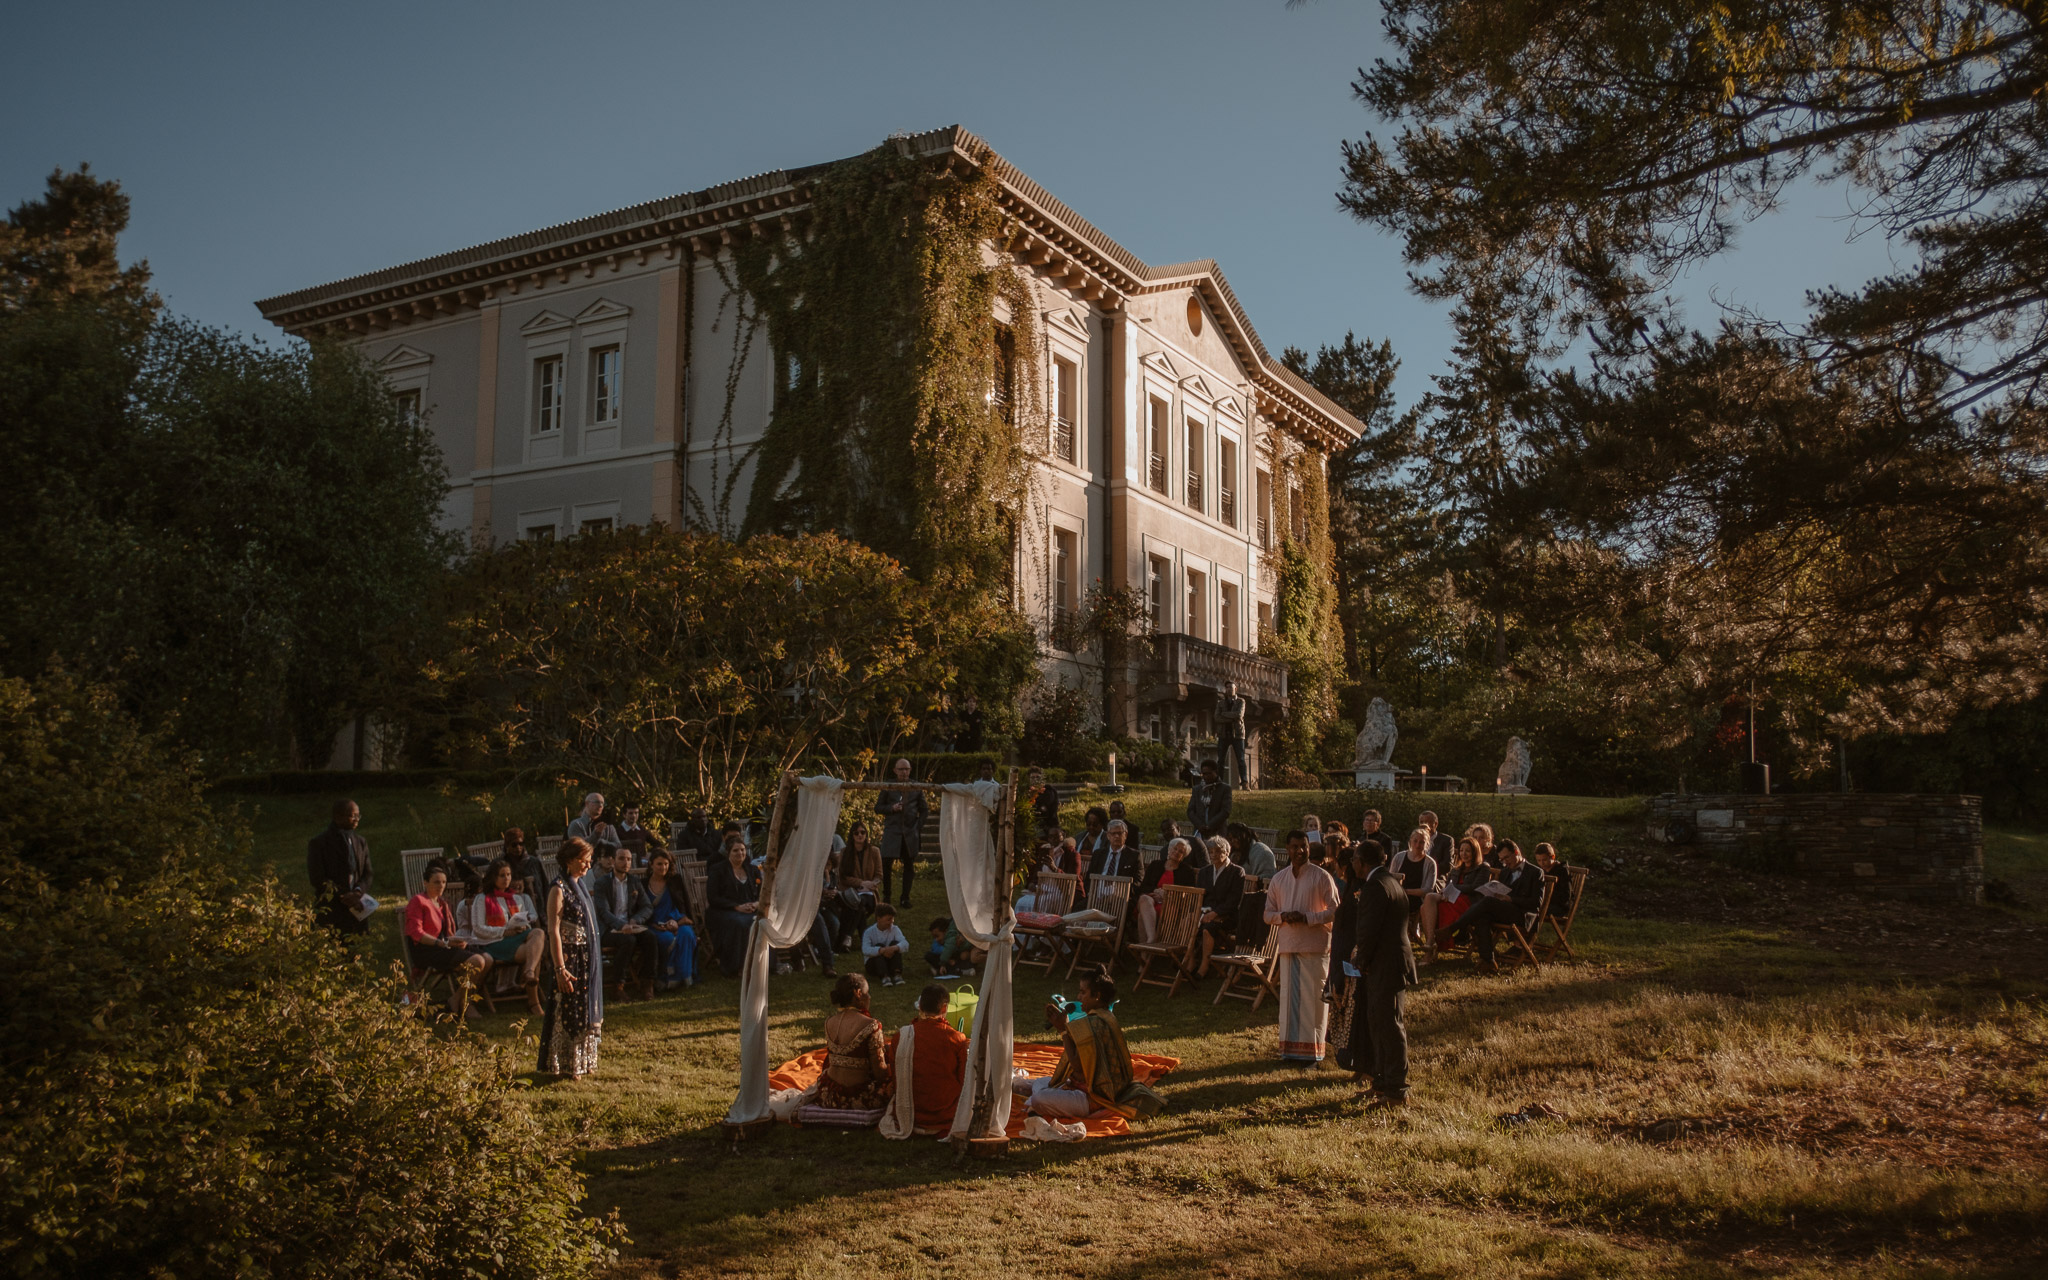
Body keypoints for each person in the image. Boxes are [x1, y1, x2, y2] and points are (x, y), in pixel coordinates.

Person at [1347, 834, 1418, 1105]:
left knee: (1389, 1025)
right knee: (1379, 1024)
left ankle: (1396, 1088)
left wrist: (1360, 960)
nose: (1352, 863)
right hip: (1389, 962)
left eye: (1354, 859)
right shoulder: (1389, 881)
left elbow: (1369, 930)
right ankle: (1382, 1082)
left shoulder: (1376, 886)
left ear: (1362, 862)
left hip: (1386, 964)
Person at [1014, 970, 1137, 1119]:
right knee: (1041, 1083)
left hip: (1095, 1098)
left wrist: (1063, 1030)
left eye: (1083, 992)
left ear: (1096, 996)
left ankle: (1033, 1105)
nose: (1078, 997)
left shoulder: (1092, 1024)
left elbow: (1077, 1065)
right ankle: (1035, 1102)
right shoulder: (1107, 1016)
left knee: (1039, 1098)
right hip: (1099, 1088)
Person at [1264, 830, 1341, 1064]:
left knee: (1314, 1000)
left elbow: (1335, 910)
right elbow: (1267, 914)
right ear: (1287, 849)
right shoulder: (1279, 878)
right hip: (1289, 945)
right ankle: (1290, 1051)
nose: (1299, 851)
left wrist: (1308, 917)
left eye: (1303, 847)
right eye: (1295, 847)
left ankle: (1314, 1053)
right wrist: (1283, 916)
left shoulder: (1321, 877)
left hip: (1315, 946)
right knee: (1289, 999)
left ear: (1310, 848)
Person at [538, 839, 603, 1078]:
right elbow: (553, 929)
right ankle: (563, 1064)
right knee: (567, 1010)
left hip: (585, 957)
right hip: (569, 957)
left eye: (589, 859)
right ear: (569, 860)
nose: (588, 864)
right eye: (583, 859)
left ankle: (583, 1062)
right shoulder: (558, 888)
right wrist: (560, 968)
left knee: (583, 1009)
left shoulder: (580, 886)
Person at [404, 861, 492, 1019]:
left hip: (443, 946)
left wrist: (456, 941)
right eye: (436, 882)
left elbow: (447, 933)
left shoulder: (442, 903)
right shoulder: (418, 901)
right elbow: (416, 932)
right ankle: (465, 1005)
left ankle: (458, 1000)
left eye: (444, 882)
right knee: (477, 961)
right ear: (425, 882)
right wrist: (442, 943)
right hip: (427, 950)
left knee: (488, 959)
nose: (441, 886)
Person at [462, 857, 547, 1015]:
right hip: (492, 943)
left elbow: (524, 921)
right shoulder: (482, 899)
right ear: (493, 877)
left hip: (514, 940)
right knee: (535, 949)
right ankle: (533, 1002)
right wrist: (504, 931)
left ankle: (528, 973)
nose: (506, 879)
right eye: (502, 875)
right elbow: (478, 929)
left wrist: (521, 927)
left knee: (537, 936)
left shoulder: (516, 898)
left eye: (508, 875)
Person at [1445, 838, 1544, 971]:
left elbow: (1536, 903)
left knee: (1486, 903)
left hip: (1523, 914)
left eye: (1506, 858)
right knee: (1482, 915)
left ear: (1516, 852)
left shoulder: (1535, 872)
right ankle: (1488, 960)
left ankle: (1453, 928)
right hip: (1504, 911)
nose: (1505, 862)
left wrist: (1511, 899)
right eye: (1501, 860)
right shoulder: (1505, 872)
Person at [887, 983, 970, 1134]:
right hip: (946, 1115)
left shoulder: (901, 1036)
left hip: (910, 1112)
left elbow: (894, 1075)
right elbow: (964, 1080)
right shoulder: (956, 1038)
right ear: (944, 1008)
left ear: (920, 1007)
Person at [817, 973, 894, 1110]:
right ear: (858, 993)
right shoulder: (871, 1025)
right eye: (867, 993)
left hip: (828, 1095)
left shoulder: (829, 1022)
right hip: (858, 1097)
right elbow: (880, 1074)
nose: (869, 997)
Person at [592, 846, 658, 1001]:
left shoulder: (634, 882)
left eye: (628, 859)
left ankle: (647, 983)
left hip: (631, 925)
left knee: (650, 938)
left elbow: (647, 906)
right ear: (613, 861)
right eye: (621, 858)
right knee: (628, 940)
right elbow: (603, 912)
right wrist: (621, 926)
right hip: (609, 929)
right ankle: (618, 986)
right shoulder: (602, 883)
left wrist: (636, 920)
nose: (626, 862)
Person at [306, 799, 372, 937]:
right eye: (352, 815)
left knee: (357, 952)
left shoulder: (360, 842)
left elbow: (367, 874)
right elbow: (317, 878)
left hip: (357, 908)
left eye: (358, 815)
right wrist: (345, 896)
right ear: (337, 817)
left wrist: (357, 893)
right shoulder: (319, 843)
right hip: (332, 910)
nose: (356, 819)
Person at [1188, 835, 1246, 979]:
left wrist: (1215, 913)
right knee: (1187, 921)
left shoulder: (1237, 871)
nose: (1213, 855)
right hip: (1204, 911)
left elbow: (1233, 900)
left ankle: (1204, 966)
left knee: (1208, 928)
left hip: (1227, 915)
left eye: (1217, 851)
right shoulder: (1205, 871)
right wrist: (1199, 912)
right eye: (1211, 852)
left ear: (1227, 852)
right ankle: (1189, 962)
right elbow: (1200, 895)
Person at [643, 850, 701, 990]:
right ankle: (668, 977)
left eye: (666, 864)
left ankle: (685, 976)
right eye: (659, 864)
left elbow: (684, 904)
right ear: (651, 865)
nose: (663, 867)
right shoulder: (643, 884)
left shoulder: (675, 881)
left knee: (686, 934)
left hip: (677, 919)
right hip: (654, 924)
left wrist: (678, 921)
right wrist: (655, 925)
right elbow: (640, 910)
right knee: (668, 939)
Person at [1421, 836, 1487, 957]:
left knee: (1432, 909)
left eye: (1467, 850)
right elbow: (1447, 886)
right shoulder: (1455, 870)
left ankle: (1431, 948)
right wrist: (1445, 893)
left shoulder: (1482, 868)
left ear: (1474, 852)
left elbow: (1475, 888)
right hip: (1452, 898)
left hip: (1469, 902)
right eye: (1461, 850)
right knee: (1429, 899)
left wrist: (1454, 889)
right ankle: (1431, 941)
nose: (1464, 854)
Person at [707, 836, 762, 977]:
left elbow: (763, 893)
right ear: (728, 852)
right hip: (724, 911)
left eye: (742, 850)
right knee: (741, 923)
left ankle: (762, 964)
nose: (740, 853)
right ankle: (737, 966)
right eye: (735, 850)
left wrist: (756, 904)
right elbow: (713, 898)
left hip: (750, 908)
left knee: (762, 921)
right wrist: (737, 907)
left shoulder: (752, 870)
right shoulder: (717, 870)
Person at [877, 759, 928, 907]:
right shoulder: (889, 786)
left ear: (910, 770)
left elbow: (924, 809)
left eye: (906, 769)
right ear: (895, 770)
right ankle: (887, 896)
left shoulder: (916, 787)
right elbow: (878, 807)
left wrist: (918, 826)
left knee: (909, 866)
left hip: (909, 833)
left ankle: (905, 897)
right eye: (901, 769)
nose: (904, 772)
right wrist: (891, 808)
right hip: (892, 832)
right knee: (886, 865)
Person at [1134, 836, 1199, 944]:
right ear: (1169, 849)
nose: (1177, 852)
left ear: (1183, 856)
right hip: (1151, 901)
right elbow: (1144, 887)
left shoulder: (1187, 871)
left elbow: (1189, 893)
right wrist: (1156, 891)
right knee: (1144, 898)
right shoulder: (1155, 865)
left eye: (1181, 852)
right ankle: (1152, 939)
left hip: (1171, 904)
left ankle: (1146, 953)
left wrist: (1167, 894)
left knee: (1142, 916)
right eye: (1175, 848)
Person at [837, 822, 883, 949]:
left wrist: (871, 885)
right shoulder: (845, 852)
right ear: (852, 835)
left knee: (860, 902)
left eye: (863, 832)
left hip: (869, 893)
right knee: (858, 905)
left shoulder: (874, 851)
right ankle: (864, 939)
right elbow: (843, 877)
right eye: (856, 833)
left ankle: (847, 936)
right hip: (850, 891)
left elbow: (879, 875)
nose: (860, 835)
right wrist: (861, 883)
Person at [1387, 828, 1440, 928]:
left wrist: (1406, 891)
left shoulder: (1430, 863)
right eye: (1415, 841)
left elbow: (1428, 889)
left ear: (1427, 844)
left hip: (1416, 899)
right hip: (1397, 895)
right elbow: (1390, 879)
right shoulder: (1398, 857)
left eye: (1421, 842)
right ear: (1410, 841)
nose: (1417, 845)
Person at [862, 904, 909, 986]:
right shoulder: (869, 932)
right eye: (889, 919)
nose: (892, 921)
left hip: (889, 961)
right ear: (878, 918)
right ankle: (884, 976)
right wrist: (881, 950)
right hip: (873, 965)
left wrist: (894, 948)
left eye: (893, 919)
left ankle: (897, 974)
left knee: (896, 944)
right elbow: (865, 949)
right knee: (878, 946)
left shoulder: (895, 929)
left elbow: (905, 944)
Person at [1185, 759, 1233, 839]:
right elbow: (1190, 811)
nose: (1206, 776)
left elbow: (1226, 811)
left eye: (1209, 774)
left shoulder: (1225, 789)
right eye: (1203, 774)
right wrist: (1200, 825)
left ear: (1216, 772)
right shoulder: (1197, 789)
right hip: (1200, 832)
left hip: (1218, 832)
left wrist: (1210, 825)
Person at [567, 792, 621, 862]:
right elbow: (579, 848)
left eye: (603, 803)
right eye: (597, 802)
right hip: (584, 865)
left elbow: (618, 845)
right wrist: (595, 835)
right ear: (587, 803)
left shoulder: (608, 826)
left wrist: (601, 842)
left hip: (606, 865)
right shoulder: (576, 824)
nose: (600, 805)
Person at [1215, 680, 1248, 788]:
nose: (1229, 689)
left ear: (1235, 689)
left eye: (1231, 687)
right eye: (1227, 687)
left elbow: (1239, 715)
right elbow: (1216, 717)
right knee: (1221, 760)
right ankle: (1218, 782)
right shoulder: (1221, 703)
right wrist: (1231, 717)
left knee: (1241, 760)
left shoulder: (1241, 702)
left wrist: (1224, 714)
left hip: (1238, 734)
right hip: (1223, 734)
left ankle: (1244, 782)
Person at [1092, 818, 1143, 886]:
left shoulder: (1134, 856)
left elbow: (1138, 881)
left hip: (1121, 893)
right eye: (1113, 833)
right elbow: (1089, 878)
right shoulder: (1098, 854)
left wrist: (1123, 892)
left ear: (1126, 835)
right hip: (1097, 892)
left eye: (1119, 833)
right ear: (1108, 835)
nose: (1116, 836)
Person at [503, 826, 550, 900]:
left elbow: (545, 887)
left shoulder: (534, 862)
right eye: (514, 845)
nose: (518, 847)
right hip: (512, 903)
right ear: (507, 846)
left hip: (537, 904)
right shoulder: (501, 864)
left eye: (521, 844)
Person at [1030, 769, 1061, 840]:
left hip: (1046, 826)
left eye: (1037, 777)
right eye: (1032, 777)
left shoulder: (1049, 792)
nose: (1035, 780)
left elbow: (1045, 811)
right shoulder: (1027, 792)